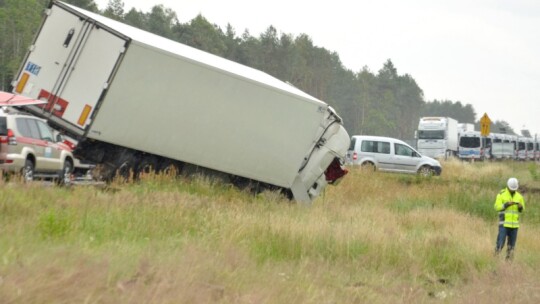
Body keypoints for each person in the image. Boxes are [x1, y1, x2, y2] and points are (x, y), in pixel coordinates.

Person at [494, 177, 525, 260]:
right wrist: (505, 205)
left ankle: (508, 265)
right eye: (511, 189)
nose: (513, 190)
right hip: (504, 224)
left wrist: (520, 207)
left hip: (514, 226)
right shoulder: (501, 194)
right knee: (500, 243)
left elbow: (522, 209)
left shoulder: (519, 197)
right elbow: (496, 207)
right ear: (507, 186)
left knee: (511, 247)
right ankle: (495, 259)